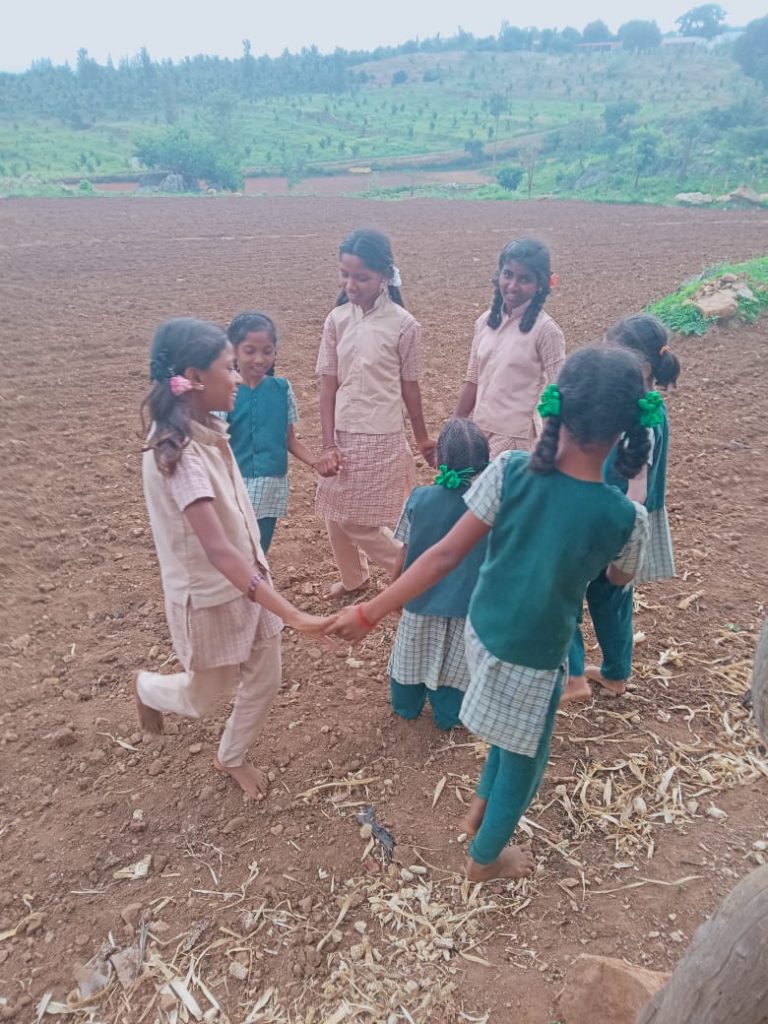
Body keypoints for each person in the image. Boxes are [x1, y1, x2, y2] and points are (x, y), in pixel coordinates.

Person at [332, 347, 651, 882]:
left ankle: (481, 802)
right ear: (626, 430)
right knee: (528, 760)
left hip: (481, 634)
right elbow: (618, 581)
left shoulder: (507, 470)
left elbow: (441, 556)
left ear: (554, 407)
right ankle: (486, 858)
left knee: (512, 727)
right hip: (535, 653)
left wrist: (369, 613)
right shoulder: (627, 517)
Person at [135, 318, 333, 801]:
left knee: (266, 678)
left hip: (249, 581)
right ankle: (147, 688)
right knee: (202, 696)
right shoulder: (178, 455)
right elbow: (219, 550)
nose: (238, 378)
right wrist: (294, 614)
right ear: (193, 378)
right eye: (228, 367)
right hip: (212, 597)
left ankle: (230, 755)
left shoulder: (206, 428)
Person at [564, 314, 680, 702]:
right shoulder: (649, 406)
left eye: (611, 351)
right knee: (612, 599)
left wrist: (612, 534)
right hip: (621, 523)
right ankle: (615, 673)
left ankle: (572, 674)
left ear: (640, 366)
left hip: (611, 523)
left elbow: (636, 491)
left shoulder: (640, 417)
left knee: (568, 590)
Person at [315, 227, 436, 599]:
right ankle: (354, 579)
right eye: (345, 274)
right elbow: (328, 384)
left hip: (379, 435)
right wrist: (327, 442)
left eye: (362, 277)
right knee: (335, 512)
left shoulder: (404, 325)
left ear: (384, 275)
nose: (351, 285)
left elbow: (410, 386)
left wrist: (421, 438)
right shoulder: (336, 320)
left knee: (358, 523)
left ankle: (415, 572)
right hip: (342, 432)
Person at [388, 419, 490, 730]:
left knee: (410, 658)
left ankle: (406, 707)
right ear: (486, 464)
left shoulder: (419, 498)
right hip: (466, 607)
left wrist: (394, 589)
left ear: (440, 459)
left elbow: (404, 550)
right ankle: (448, 717)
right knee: (456, 671)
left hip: (420, 600)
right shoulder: (490, 507)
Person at [225, 311, 338, 554]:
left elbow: (289, 439)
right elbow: (215, 442)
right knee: (234, 551)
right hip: (232, 485)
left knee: (259, 551)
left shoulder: (282, 389)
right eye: (250, 351)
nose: (259, 359)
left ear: (275, 352)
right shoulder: (224, 390)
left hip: (270, 486)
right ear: (233, 351)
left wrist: (316, 462)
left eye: (267, 351)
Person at [455, 238, 566, 459]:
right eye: (508, 275)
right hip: (478, 435)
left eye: (524, 279)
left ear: (541, 284)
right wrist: (455, 426)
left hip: (516, 441)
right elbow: (473, 380)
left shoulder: (546, 331)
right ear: (498, 275)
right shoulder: (485, 322)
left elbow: (560, 392)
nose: (513, 286)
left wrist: (553, 446)